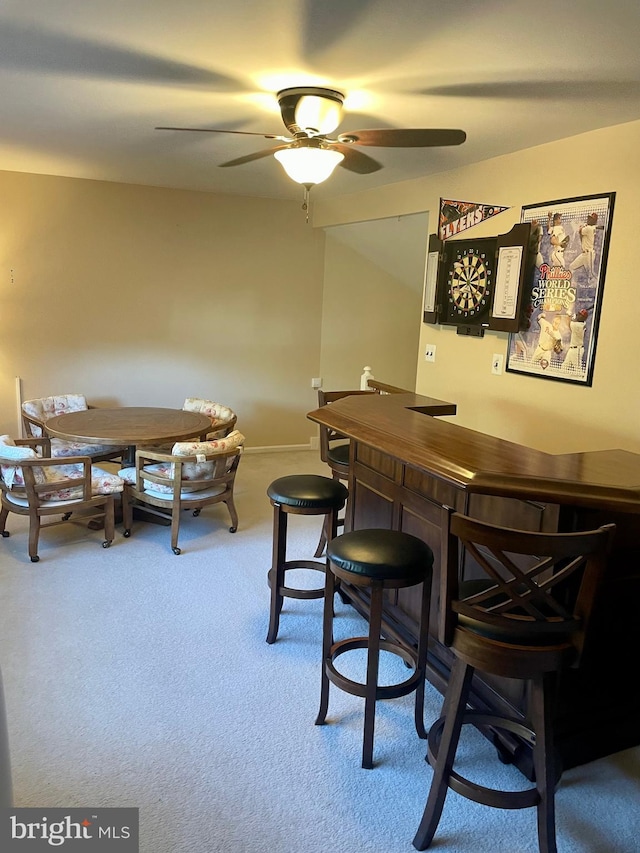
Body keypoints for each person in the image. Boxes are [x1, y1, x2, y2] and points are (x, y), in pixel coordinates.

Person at [569, 212, 602, 284]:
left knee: (591, 274)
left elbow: (580, 231)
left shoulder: (589, 229)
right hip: (583, 254)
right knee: (571, 267)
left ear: (594, 221)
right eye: (588, 218)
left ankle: (597, 284)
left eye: (590, 219)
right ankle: (573, 283)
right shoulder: (590, 227)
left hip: (589, 254)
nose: (588, 219)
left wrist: (582, 226)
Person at [562, 307, 591, 372]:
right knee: (564, 367)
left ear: (583, 318)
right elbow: (574, 319)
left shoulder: (578, 325)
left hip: (577, 350)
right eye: (578, 314)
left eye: (580, 315)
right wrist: (573, 316)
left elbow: (568, 323)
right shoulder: (583, 323)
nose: (578, 315)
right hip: (572, 349)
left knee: (578, 370)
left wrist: (569, 315)